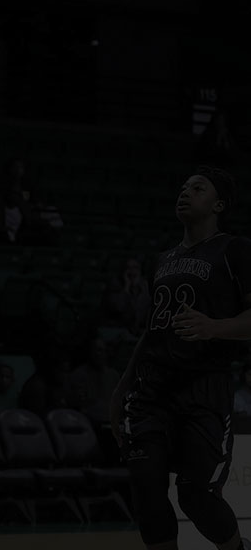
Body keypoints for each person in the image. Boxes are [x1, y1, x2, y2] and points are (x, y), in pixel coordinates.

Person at [110, 166, 251, 550]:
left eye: (198, 188)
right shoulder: (163, 259)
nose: (185, 192)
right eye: (184, 187)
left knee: (195, 496)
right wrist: (122, 387)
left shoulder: (234, 250)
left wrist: (214, 327)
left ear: (218, 204)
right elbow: (151, 334)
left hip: (204, 391)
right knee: (147, 489)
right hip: (153, 392)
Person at [67, 337, 121, 424]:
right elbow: (79, 404)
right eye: (96, 350)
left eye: (102, 350)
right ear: (89, 352)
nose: (98, 354)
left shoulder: (113, 375)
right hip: (88, 423)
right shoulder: (79, 375)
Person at [103, 256, 152, 337]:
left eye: (135, 268)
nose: (132, 271)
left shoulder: (147, 287)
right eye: (128, 268)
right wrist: (127, 288)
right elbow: (119, 308)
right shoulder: (115, 286)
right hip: (119, 330)